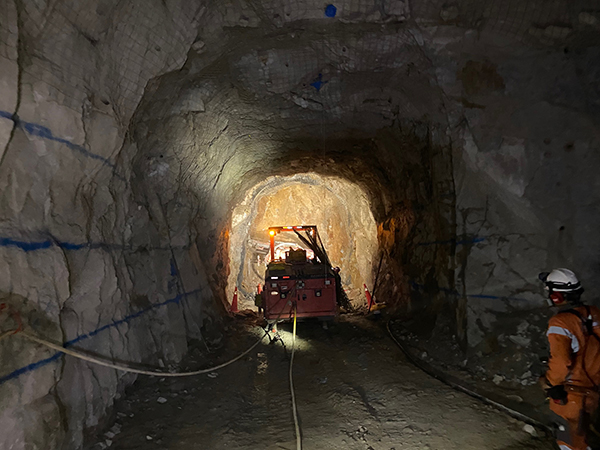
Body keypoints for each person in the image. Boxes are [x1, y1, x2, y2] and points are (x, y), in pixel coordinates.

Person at [539, 268, 600, 450]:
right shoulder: (594, 312)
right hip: (594, 389)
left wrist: (549, 382)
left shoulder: (560, 322)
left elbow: (561, 362)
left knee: (570, 442)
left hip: (572, 393)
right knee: (586, 437)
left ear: (556, 296)